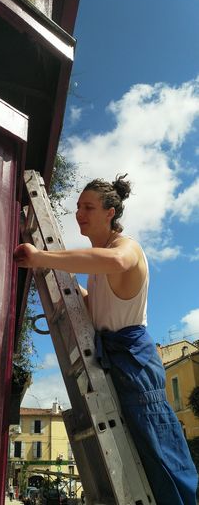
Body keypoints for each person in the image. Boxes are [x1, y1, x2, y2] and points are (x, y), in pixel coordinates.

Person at [14, 174, 198, 505]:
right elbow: (94, 304)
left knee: (161, 452)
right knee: (136, 454)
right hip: (115, 356)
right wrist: (64, 280)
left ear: (110, 212)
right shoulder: (97, 263)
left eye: (88, 207)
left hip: (133, 357)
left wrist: (43, 258)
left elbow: (118, 262)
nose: (79, 214)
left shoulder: (125, 247)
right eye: (77, 207)